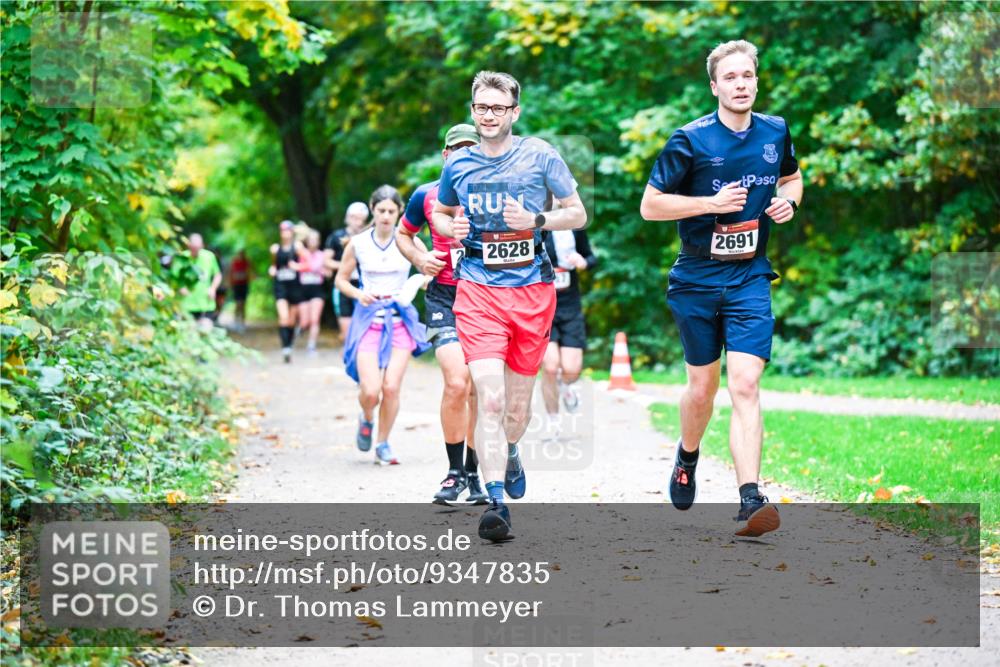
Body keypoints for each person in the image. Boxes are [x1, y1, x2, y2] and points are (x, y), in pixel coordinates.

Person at [639, 40, 803, 538]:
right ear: (715, 86)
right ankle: (688, 455)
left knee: (746, 385)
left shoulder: (775, 131)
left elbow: (793, 180)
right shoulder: (689, 140)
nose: (740, 84)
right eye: (730, 77)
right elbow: (650, 205)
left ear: (756, 81)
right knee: (702, 390)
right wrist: (708, 204)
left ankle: (750, 498)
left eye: (747, 76)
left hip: (750, 275)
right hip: (695, 278)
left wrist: (788, 204)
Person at [432, 71, 587, 541]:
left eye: (499, 107)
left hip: (532, 292)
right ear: (473, 110)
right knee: (491, 397)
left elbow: (577, 212)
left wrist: (537, 219)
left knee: (516, 410)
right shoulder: (458, 167)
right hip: (477, 288)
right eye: (482, 107)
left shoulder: (541, 155)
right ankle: (495, 500)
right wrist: (450, 228)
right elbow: (439, 211)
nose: (489, 115)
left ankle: (511, 450)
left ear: (514, 112)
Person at [396, 123, 488, 505]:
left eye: (472, 148)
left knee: (480, 387)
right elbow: (404, 234)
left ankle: (474, 472)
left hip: (485, 298)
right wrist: (421, 258)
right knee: (456, 382)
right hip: (444, 297)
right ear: (446, 155)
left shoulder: (494, 194)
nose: (464, 154)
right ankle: (453, 473)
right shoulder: (426, 195)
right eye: (457, 149)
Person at [338, 186, 430, 466]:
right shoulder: (358, 243)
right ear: (373, 210)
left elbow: (430, 272)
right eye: (381, 211)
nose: (387, 216)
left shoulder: (409, 241)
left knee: (391, 387)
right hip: (369, 319)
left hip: (400, 319)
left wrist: (415, 284)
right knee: (370, 390)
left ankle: (383, 443)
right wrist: (359, 294)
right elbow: (341, 280)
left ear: (400, 211)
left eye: (392, 211)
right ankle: (366, 418)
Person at [540, 224, 596, 439]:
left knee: (572, 369)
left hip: (570, 305)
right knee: (551, 366)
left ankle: (566, 385)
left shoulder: (574, 226)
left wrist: (583, 262)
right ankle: (553, 421)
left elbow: (591, 258)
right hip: (543, 307)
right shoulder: (535, 227)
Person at [325, 202, 369, 342]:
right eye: (353, 217)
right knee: (347, 332)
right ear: (347, 217)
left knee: (365, 330)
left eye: (360, 218)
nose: (356, 221)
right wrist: (346, 266)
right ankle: (350, 359)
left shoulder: (369, 236)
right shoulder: (336, 236)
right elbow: (326, 261)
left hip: (365, 286)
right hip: (343, 286)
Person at [270, 220, 304, 363]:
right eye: (283, 231)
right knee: (283, 317)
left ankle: (289, 345)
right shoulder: (275, 249)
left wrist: (297, 266)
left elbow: (306, 264)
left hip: (295, 286)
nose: (286, 234)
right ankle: (285, 348)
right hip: (280, 285)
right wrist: (272, 269)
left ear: (292, 232)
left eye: (288, 230)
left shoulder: (297, 247)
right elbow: (273, 265)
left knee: (291, 320)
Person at [179, 233, 222, 330]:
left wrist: (213, 288)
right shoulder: (182, 258)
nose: (195, 251)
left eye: (197, 248)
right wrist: (180, 287)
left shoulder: (209, 257)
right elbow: (174, 277)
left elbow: (217, 275)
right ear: (188, 246)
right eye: (193, 248)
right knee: (190, 334)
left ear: (202, 246)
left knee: (206, 331)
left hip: (206, 304)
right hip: (187, 305)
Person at [298, 230, 329, 355]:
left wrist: (324, 271)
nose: (313, 242)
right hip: (303, 289)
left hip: (317, 289)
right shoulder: (301, 254)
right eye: (311, 239)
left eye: (315, 239)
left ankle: (311, 346)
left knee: (314, 319)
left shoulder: (322, 255)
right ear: (306, 241)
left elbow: (328, 272)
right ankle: (300, 328)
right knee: (305, 321)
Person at [227, 248, 252, 333]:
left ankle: (242, 323)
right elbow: (231, 273)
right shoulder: (234, 262)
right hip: (236, 285)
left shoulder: (247, 262)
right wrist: (230, 283)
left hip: (244, 285)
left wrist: (249, 277)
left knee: (243, 304)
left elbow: (250, 272)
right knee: (238, 304)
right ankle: (236, 321)